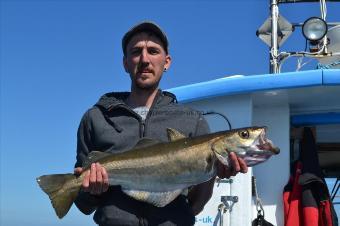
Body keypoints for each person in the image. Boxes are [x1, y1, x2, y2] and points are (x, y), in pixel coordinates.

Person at [73, 21, 248, 226]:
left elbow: (196, 204)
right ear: (125, 62)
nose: (145, 59)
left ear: (167, 62)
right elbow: (83, 204)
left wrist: (213, 173)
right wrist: (92, 191)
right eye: (136, 51)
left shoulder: (193, 120)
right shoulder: (96, 118)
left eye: (153, 51)